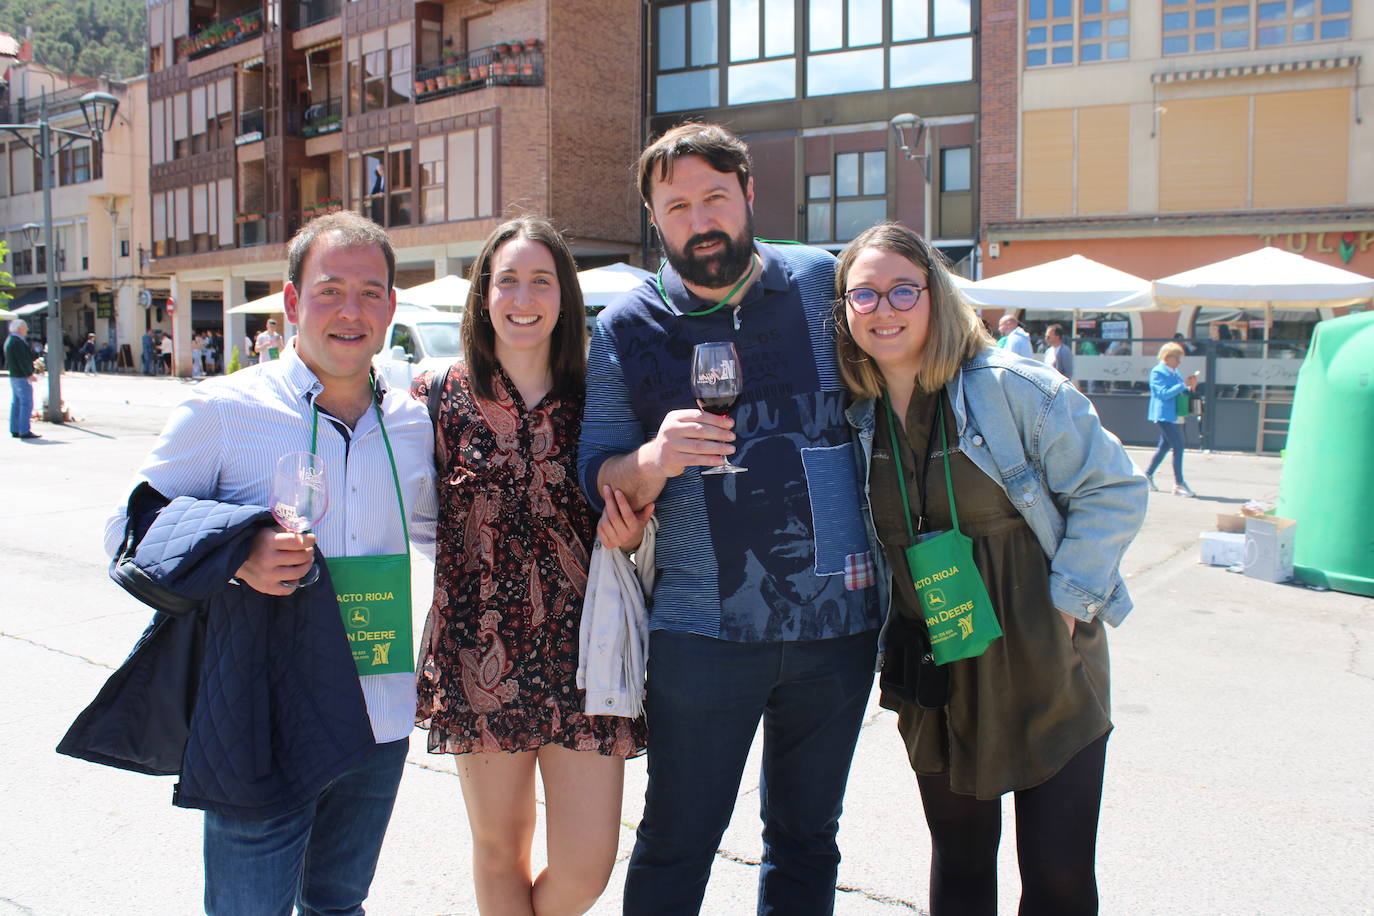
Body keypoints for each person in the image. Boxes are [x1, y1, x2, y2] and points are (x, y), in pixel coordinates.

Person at [578, 123, 881, 915]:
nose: (699, 218)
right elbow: (597, 472)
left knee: (808, 839)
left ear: (749, 194)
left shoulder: (825, 284)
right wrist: (653, 459)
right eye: (676, 205)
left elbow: (921, 352)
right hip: (703, 636)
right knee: (678, 839)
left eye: (715, 195)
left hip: (838, 626)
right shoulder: (625, 329)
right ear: (654, 218)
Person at [100, 211, 438, 915]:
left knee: (339, 905)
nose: (352, 311)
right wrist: (237, 551)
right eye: (330, 290)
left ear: (391, 307)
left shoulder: (410, 422)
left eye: (371, 292)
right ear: (291, 302)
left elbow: (443, 532)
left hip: (380, 712)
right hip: (265, 711)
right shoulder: (223, 412)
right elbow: (127, 529)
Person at [834, 222, 1147, 915]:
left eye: (902, 290)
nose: (884, 309)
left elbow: (1114, 489)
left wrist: (1066, 608)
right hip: (938, 667)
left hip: (1045, 659)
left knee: (1059, 877)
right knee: (963, 864)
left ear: (935, 297)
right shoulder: (854, 418)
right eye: (865, 295)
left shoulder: (1008, 388)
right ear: (845, 310)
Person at [412, 216, 650, 915]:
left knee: (586, 869)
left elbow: (640, 512)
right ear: (484, 294)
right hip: (478, 653)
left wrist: (630, 536)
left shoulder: (600, 398)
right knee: (499, 850)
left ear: (564, 297)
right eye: (507, 279)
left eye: (540, 280)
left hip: (587, 657)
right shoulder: (435, 397)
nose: (523, 296)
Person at [1143, 341, 1198, 497]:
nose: (1179, 361)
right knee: (1178, 445)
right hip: (1164, 415)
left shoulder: (1175, 372)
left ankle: (1147, 475)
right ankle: (1179, 483)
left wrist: (1190, 386)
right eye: (1177, 358)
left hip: (1174, 415)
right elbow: (1163, 394)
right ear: (1168, 357)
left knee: (1165, 447)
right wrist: (1183, 385)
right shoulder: (1158, 372)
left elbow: (1180, 391)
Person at [6, 319, 39, 439]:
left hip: (14, 376)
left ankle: (15, 429)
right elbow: (22, 360)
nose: (27, 330)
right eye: (25, 327)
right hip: (21, 376)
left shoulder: (10, 340)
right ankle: (24, 430)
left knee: (16, 404)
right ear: (19, 328)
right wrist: (29, 373)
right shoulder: (18, 342)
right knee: (26, 404)